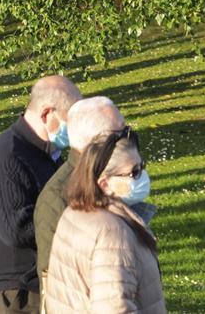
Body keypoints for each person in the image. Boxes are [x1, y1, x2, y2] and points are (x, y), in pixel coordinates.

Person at [0, 75, 81, 313]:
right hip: (17, 291)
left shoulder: (45, 153)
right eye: (69, 119)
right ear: (46, 114)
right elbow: (17, 230)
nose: (73, 127)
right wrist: (76, 225)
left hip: (41, 281)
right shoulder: (6, 156)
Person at [42, 132, 164, 312]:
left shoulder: (74, 212)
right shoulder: (114, 234)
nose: (143, 176)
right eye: (135, 172)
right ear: (105, 184)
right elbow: (114, 306)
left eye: (142, 166)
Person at [34, 96, 129, 287]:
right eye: (118, 135)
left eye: (127, 131)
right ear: (91, 142)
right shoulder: (58, 198)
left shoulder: (115, 177)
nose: (127, 141)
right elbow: (57, 282)